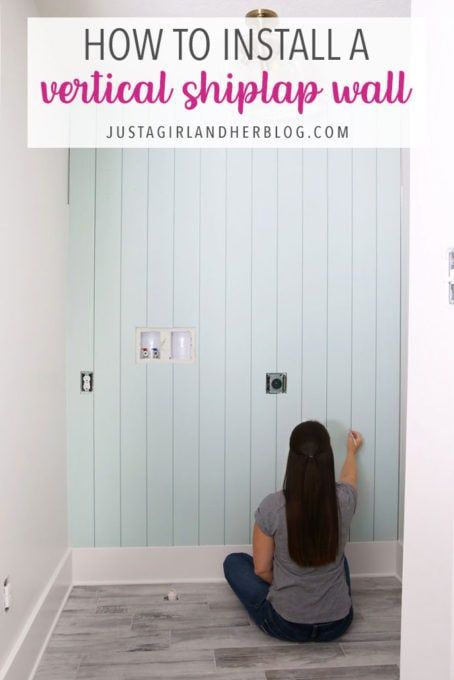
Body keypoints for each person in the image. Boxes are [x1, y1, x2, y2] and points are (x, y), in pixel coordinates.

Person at [223, 420, 363, 642]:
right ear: (328, 459)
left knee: (234, 562)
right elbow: (349, 479)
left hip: (287, 624)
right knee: (340, 558)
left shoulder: (272, 506)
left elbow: (261, 570)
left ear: (291, 459)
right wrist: (351, 452)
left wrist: (288, 583)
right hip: (337, 623)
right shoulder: (344, 500)